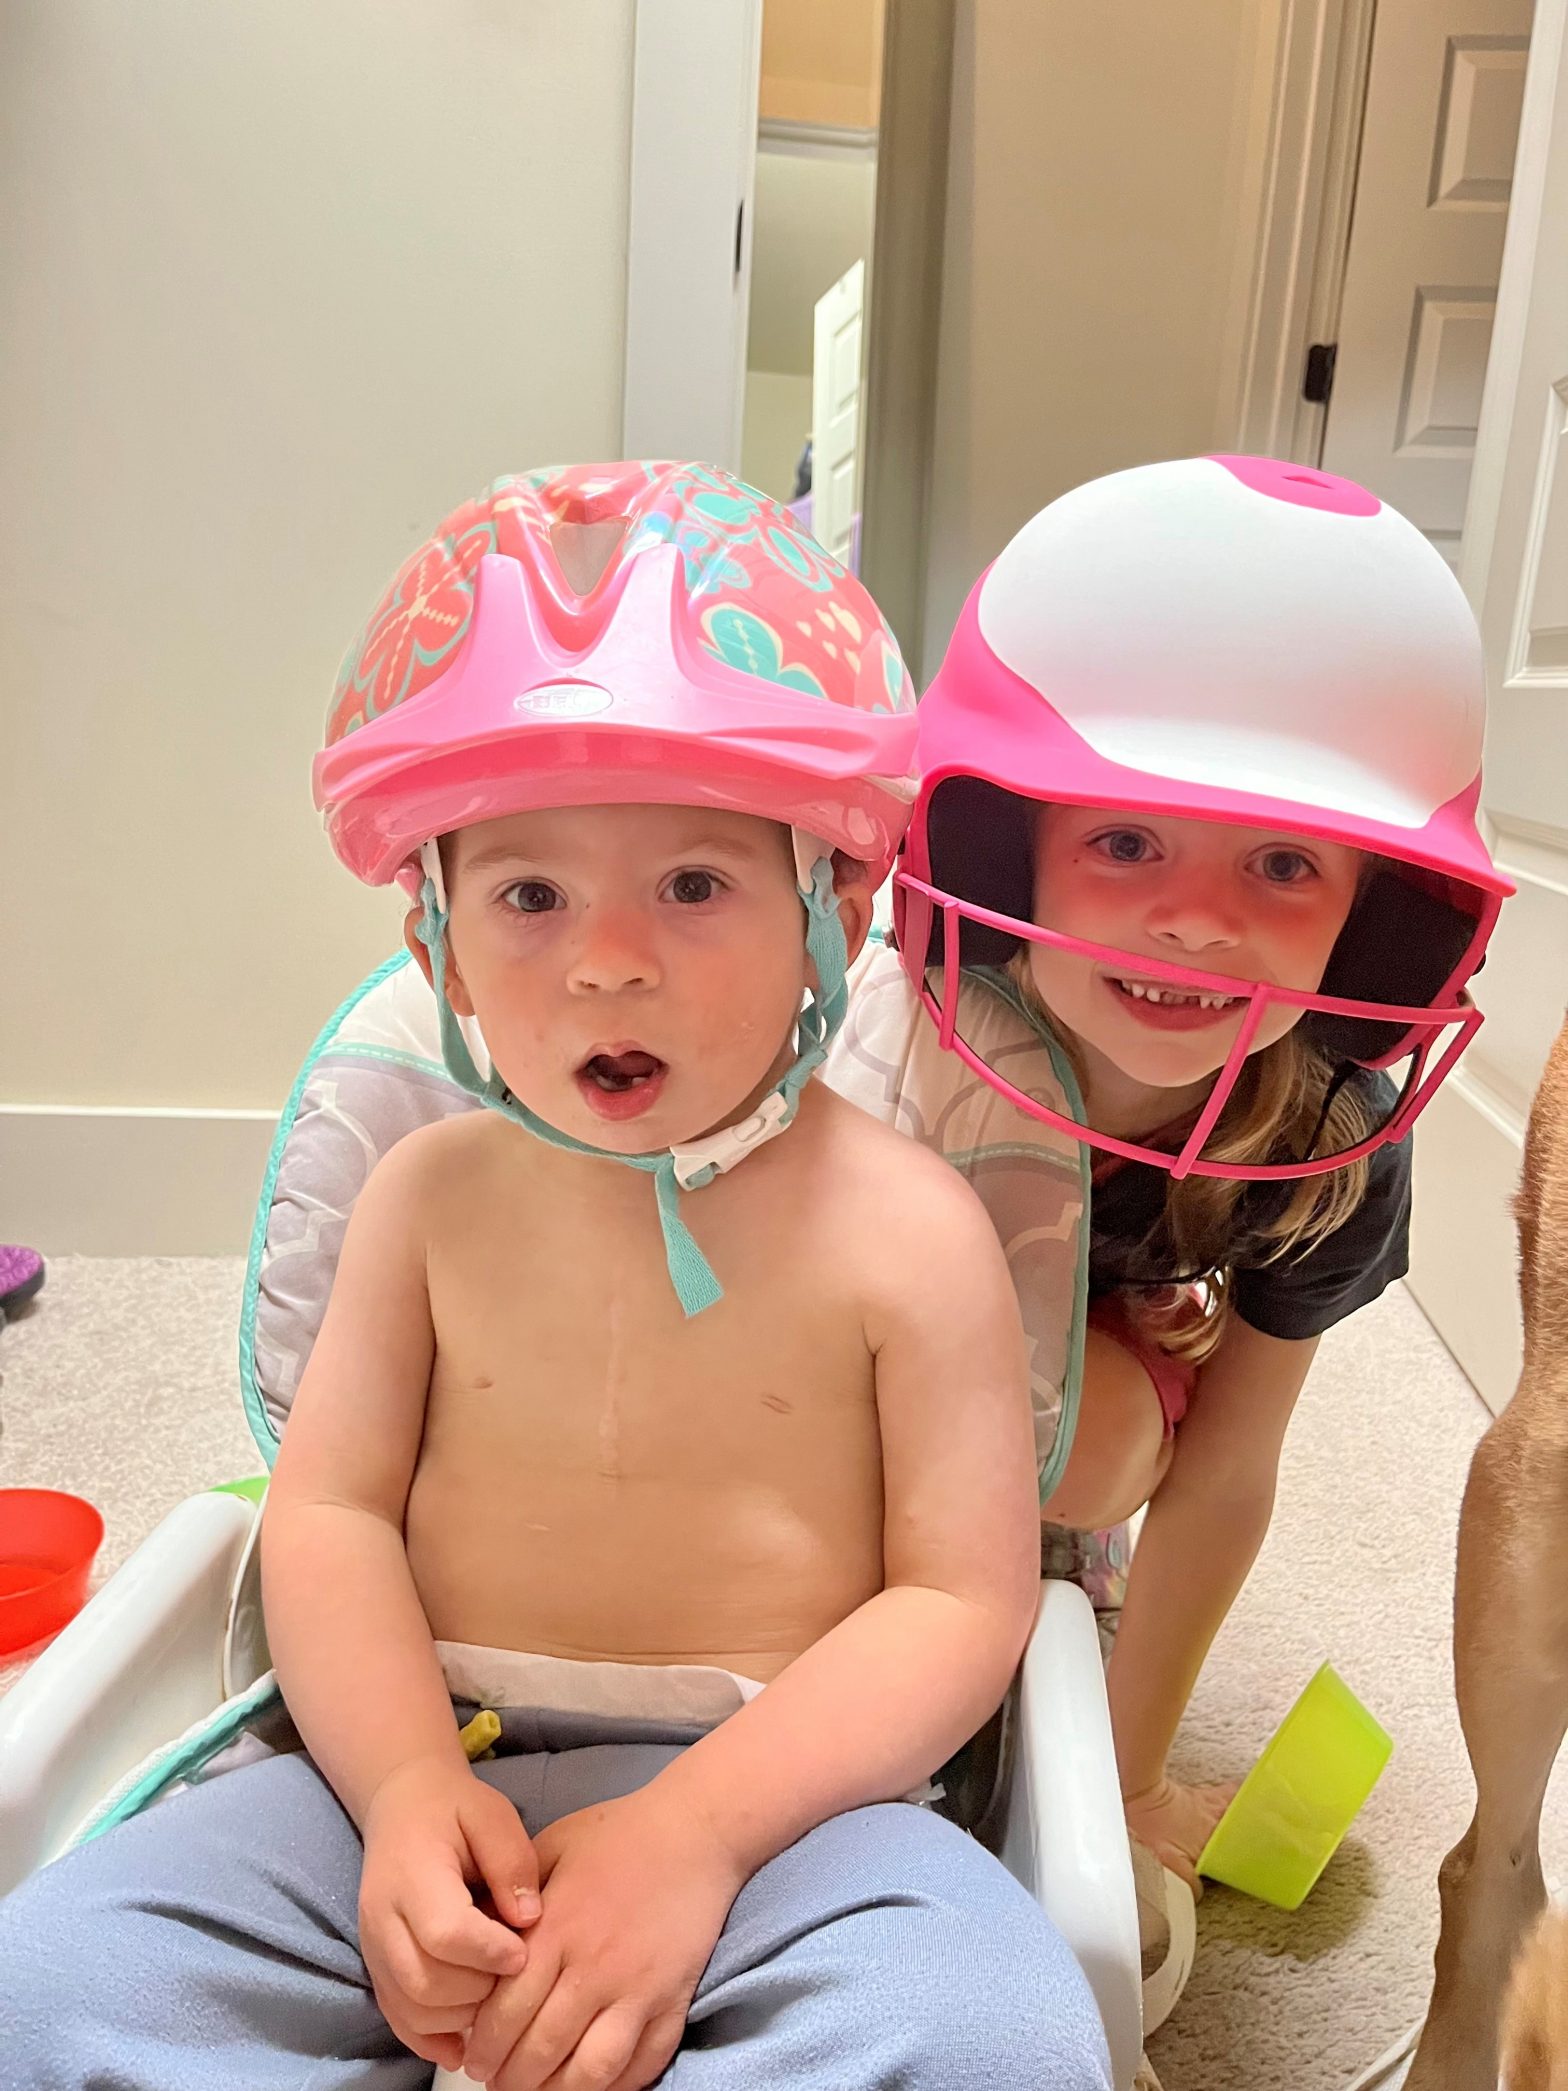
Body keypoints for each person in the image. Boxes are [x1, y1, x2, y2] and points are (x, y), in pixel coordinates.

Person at [0, 463, 1112, 2091]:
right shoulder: (425, 1198)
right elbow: (327, 1519)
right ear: (433, 943)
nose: (608, 956)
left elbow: (961, 1602)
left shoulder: (913, 1226)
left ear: (837, 912)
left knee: (997, 2039)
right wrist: (392, 1795)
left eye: (695, 884)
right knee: (47, 1987)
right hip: (404, 1772)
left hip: (794, 1815)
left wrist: (695, 1837)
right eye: (529, 894)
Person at [829, 454, 1508, 1900]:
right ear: (1010, 857)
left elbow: (1226, 1480)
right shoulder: (903, 1049)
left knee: (1097, 1438)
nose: (1194, 923)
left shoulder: (1325, 1145)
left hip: (1074, 1409)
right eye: (1126, 841)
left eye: (1281, 866)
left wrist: (1122, 1782)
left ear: (1374, 930)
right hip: (850, 1379)